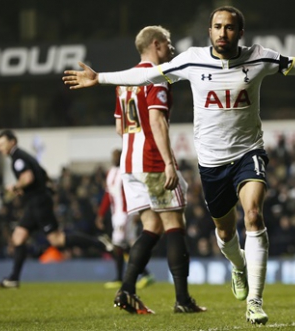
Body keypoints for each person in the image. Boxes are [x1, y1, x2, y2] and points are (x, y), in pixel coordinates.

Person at [63, 6, 295, 324]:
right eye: (217, 27)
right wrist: (101, 79)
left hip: (248, 153)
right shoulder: (192, 61)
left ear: (240, 31)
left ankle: (255, 301)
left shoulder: (260, 57)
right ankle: (237, 266)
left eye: (229, 27)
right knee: (225, 232)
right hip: (211, 164)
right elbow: (148, 75)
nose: (222, 32)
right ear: (210, 31)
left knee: (253, 214)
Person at [109, 25, 205, 314]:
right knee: (175, 224)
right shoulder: (157, 76)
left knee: (151, 227)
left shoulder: (124, 81)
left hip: (129, 164)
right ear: (156, 44)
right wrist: (167, 162)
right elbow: (156, 121)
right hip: (151, 162)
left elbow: (119, 127)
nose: (172, 49)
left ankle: (126, 290)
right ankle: (183, 300)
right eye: (169, 43)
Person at [0, 129, 114, 289]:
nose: (0, 148)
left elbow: (27, 177)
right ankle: (13, 279)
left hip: (39, 203)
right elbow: (43, 175)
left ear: (12, 142)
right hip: (35, 203)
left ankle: (98, 242)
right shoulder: (25, 156)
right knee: (18, 237)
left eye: (2, 144)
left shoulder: (18, 158)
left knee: (57, 240)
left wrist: (15, 186)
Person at [96, 148, 155, 289]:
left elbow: (135, 192)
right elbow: (107, 195)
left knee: (117, 244)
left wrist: (136, 213)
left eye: (116, 155)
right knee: (126, 246)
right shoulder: (110, 173)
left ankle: (120, 277)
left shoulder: (128, 171)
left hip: (126, 213)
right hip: (116, 214)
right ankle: (145, 274)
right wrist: (100, 214)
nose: (114, 158)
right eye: (113, 155)